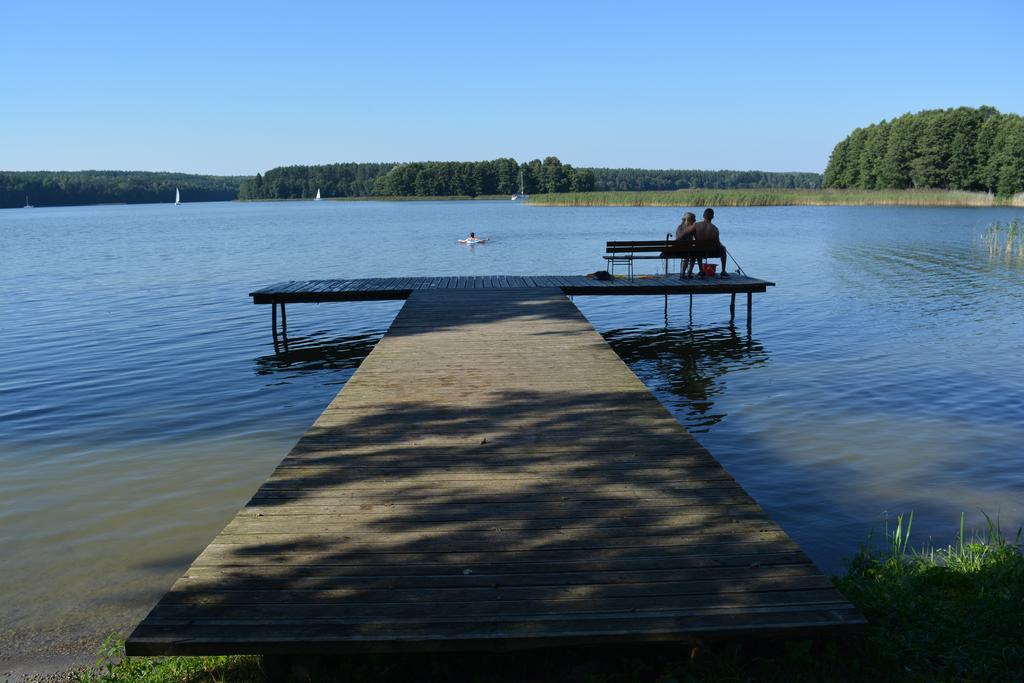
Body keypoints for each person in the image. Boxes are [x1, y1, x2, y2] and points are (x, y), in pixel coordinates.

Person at [680, 208, 729, 278]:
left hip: (698, 251)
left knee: (698, 249)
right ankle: (723, 271)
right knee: (723, 249)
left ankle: (701, 271)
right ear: (712, 217)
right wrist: (722, 246)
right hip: (710, 252)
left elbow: (684, 234)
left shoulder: (696, 225)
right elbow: (718, 244)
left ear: (703, 216)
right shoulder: (715, 229)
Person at [674, 212, 697, 277]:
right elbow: (697, 239)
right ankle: (688, 273)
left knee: (689, 255)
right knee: (692, 255)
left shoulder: (679, 227)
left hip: (679, 250)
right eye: (694, 219)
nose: (695, 220)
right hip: (685, 250)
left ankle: (685, 274)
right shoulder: (691, 228)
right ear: (688, 220)